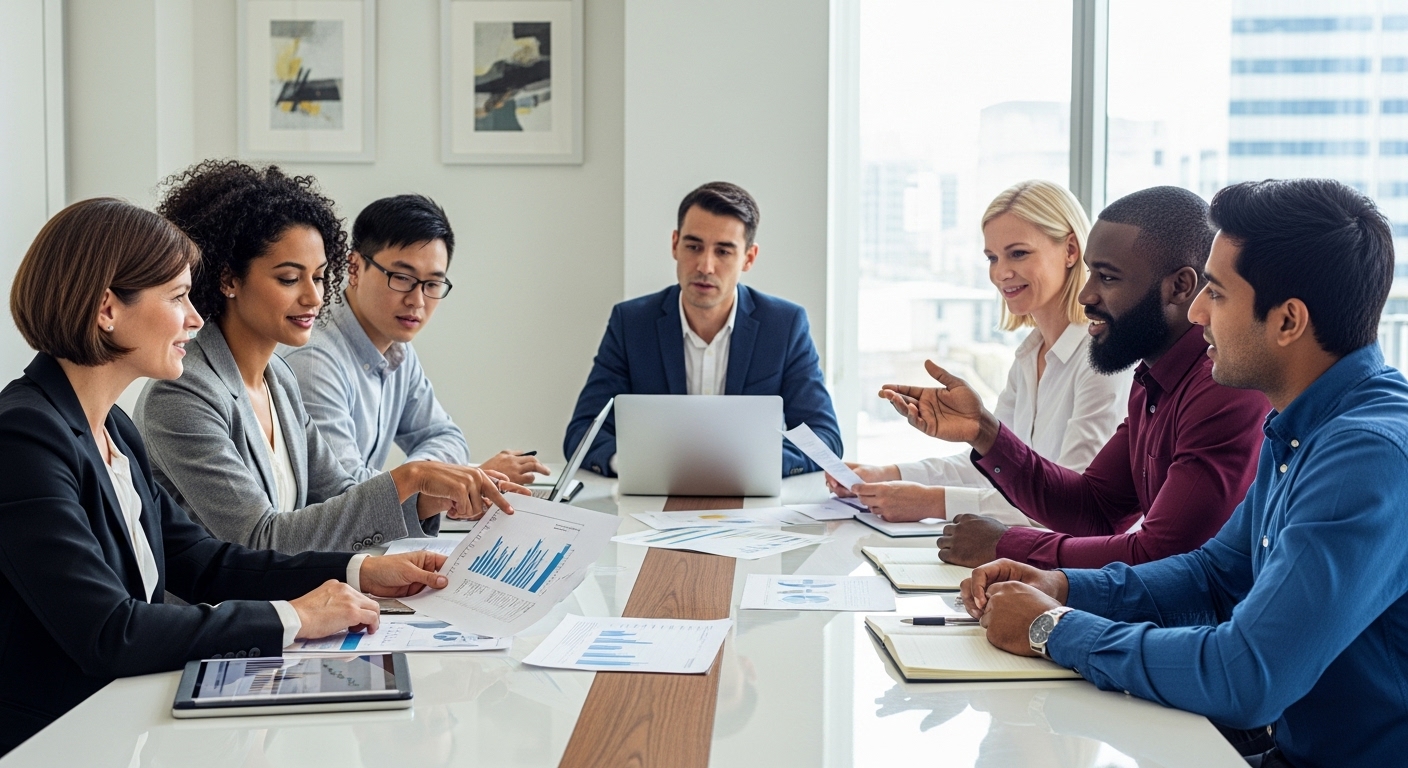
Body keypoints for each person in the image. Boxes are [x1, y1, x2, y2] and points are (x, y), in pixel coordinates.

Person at [960, 178, 1408, 768]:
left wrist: (1053, 628)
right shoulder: (1302, 426)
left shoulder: (1366, 456)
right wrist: (1062, 587)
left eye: (1216, 294)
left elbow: (1246, 676)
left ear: (1288, 321)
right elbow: (1213, 575)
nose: (1197, 313)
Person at [0, 198, 458, 754]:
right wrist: (293, 617)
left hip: (121, 721)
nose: (195, 317)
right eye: (177, 297)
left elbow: (204, 562)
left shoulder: (112, 427)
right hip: (54, 742)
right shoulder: (24, 437)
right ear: (107, 309)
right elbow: (110, 630)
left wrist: (359, 571)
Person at [135, 161, 522, 555]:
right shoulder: (182, 394)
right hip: (226, 596)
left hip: (293, 590)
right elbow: (258, 539)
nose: (314, 297)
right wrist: (412, 477)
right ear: (229, 279)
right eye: (289, 279)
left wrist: (429, 497)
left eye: (319, 277)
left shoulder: (277, 378)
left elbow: (340, 493)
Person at [881, 186, 1268, 569]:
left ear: (1180, 286)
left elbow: (1163, 555)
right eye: (1090, 274)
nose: (1086, 295)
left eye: (1108, 278)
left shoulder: (1222, 387)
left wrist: (1006, 545)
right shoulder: (1151, 380)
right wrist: (983, 430)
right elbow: (1094, 508)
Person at [828, 181, 1131, 523]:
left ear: (1071, 250)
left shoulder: (1101, 360)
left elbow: (1072, 502)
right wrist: (887, 474)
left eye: (1018, 253)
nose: (1000, 273)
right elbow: (995, 467)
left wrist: (933, 503)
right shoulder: (1029, 356)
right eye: (992, 258)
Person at [565, 181, 842, 477]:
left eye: (723, 251)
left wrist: (756, 463)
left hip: (752, 496)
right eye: (694, 246)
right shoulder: (631, 323)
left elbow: (823, 438)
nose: (705, 266)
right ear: (675, 244)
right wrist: (634, 464)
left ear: (748, 257)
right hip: (652, 494)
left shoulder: (784, 325)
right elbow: (583, 432)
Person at [281, 194, 549, 486]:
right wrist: (441, 482)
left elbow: (446, 436)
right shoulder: (314, 361)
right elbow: (346, 492)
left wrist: (430, 480)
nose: (417, 301)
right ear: (355, 267)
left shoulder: (398, 351)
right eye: (402, 278)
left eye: (432, 284)